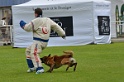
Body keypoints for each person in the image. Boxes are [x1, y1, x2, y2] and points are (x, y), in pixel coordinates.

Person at [19, 8, 66, 74]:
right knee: (28, 50)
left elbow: (27, 28)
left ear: (36, 14)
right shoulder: (47, 20)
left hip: (38, 42)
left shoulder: (35, 21)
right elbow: (56, 26)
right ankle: (32, 67)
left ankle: (39, 68)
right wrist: (62, 34)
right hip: (45, 42)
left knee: (34, 53)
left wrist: (22, 23)